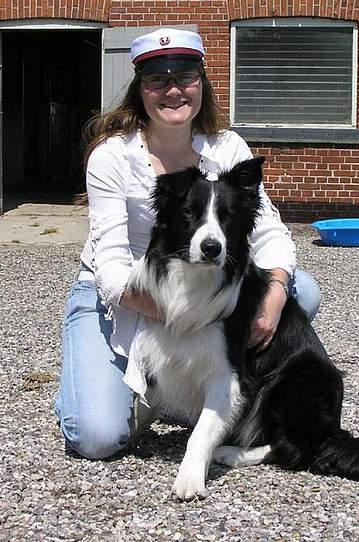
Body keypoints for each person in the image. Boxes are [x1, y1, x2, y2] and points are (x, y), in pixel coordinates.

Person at [55, 28, 321, 460]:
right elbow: (110, 261)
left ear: (202, 83)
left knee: (300, 291)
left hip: (195, 290)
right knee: (96, 437)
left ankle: (202, 388)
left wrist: (272, 296)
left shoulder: (227, 146)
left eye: (185, 76)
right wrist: (177, 314)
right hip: (128, 294)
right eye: (158, 80)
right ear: (140, 90)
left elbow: (269, 232)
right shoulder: (112, 156)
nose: (173, 90)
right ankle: (139, 390)